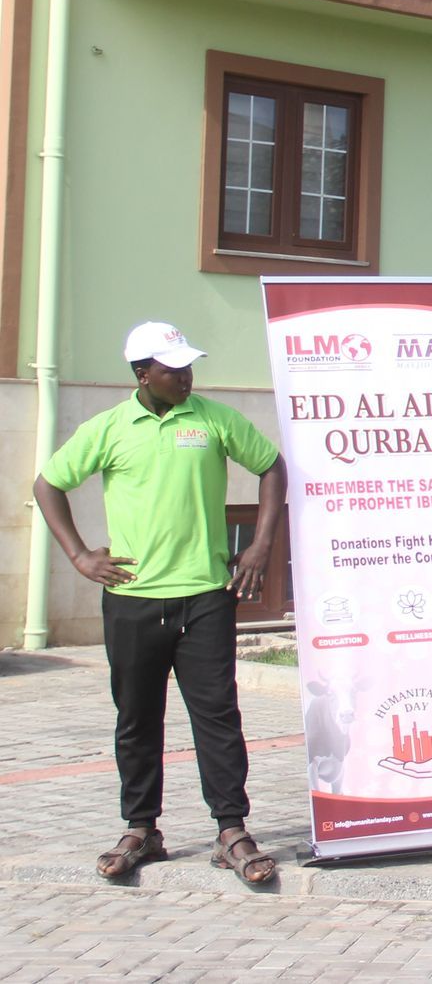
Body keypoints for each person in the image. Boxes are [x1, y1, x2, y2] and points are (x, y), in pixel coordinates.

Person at [32, 321, 288, 885]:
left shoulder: (213, 419)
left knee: (217, 717)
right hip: (133, 601)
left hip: (205, 596)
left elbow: (271, 465)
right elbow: (48, 483)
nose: (187, 377)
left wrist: (261, 546)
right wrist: (78, 556)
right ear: (143, 373)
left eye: (189, 366)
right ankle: (142, 828)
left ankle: (231, 831)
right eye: (174, 369)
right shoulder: (109, 428)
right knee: (137, 718)